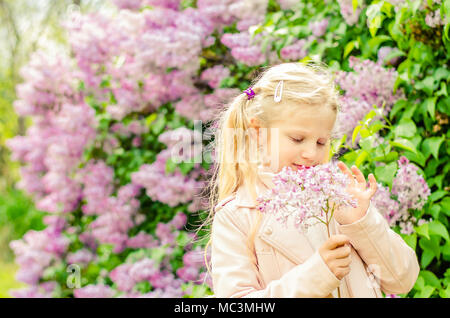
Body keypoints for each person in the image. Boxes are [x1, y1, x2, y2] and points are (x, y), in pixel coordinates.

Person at [202, 62, 420, 298]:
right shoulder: (237, 216)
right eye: (297, 139)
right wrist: (317, 276)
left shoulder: (339, 198)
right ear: (258, 132)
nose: (311, 153)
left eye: (321, 142)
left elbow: (402, 280)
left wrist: (361, 223)